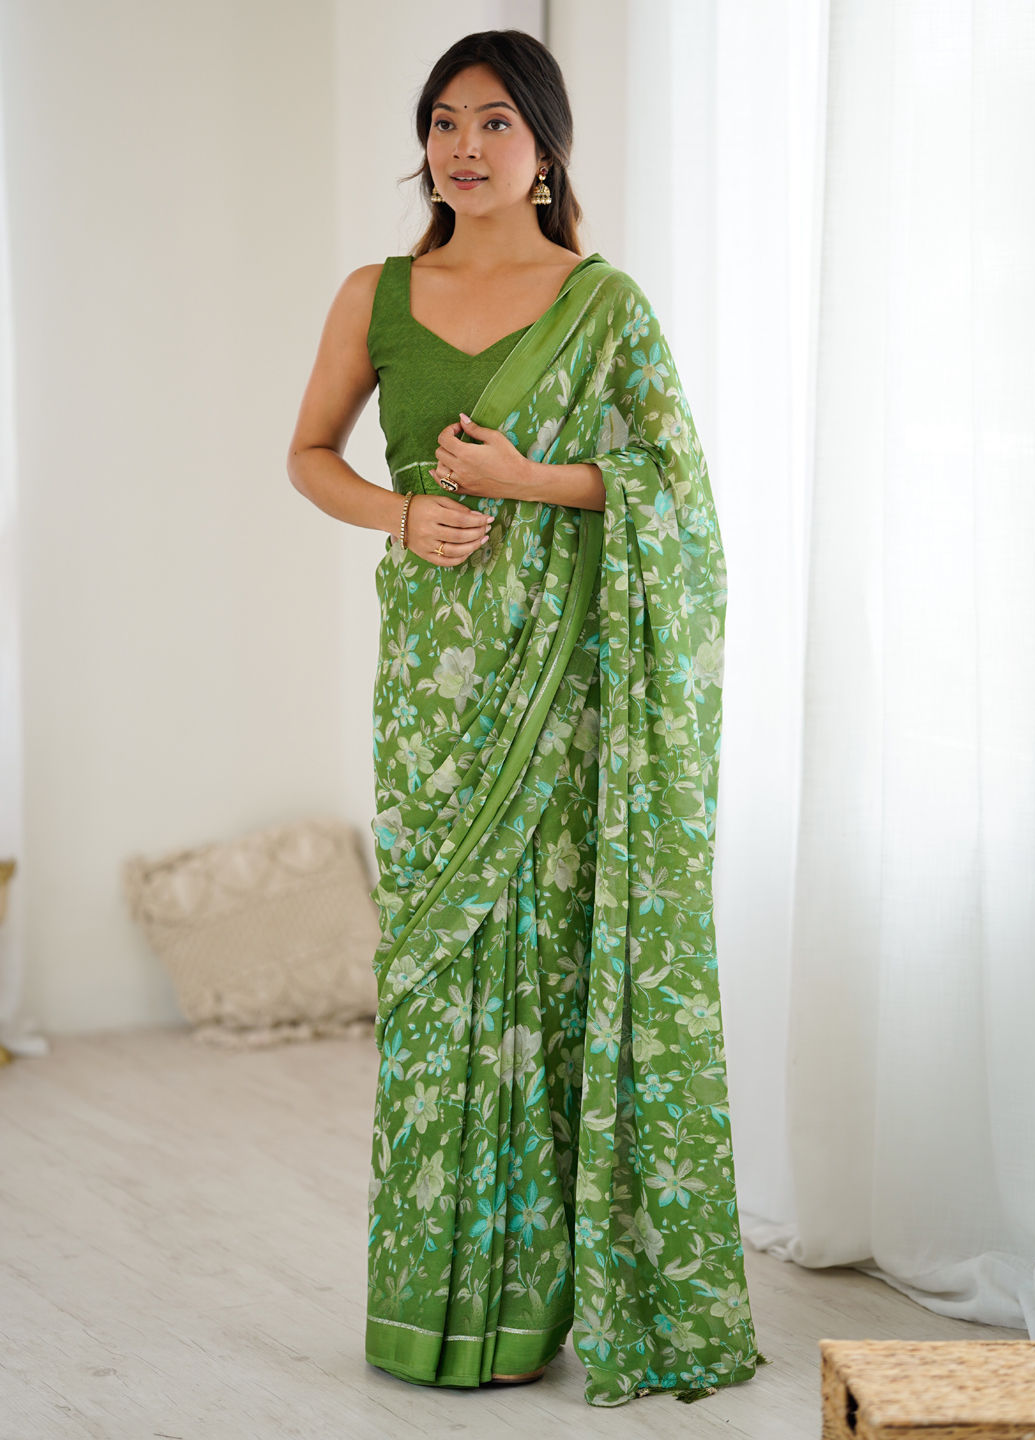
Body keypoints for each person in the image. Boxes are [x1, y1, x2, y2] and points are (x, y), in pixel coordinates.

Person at [286, 27, 768, 1410]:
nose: (465, 145)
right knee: (439, 977)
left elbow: (679, 495)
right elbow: (309, 456)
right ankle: (432, 1312)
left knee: (549, 979)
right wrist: (401, 513)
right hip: (433, 688)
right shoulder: (377, 293)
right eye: (445, 121)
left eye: (496, 121)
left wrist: (533, 481)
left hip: (567, 690)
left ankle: (547, 1303)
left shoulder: (601, 303)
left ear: (546, 147)